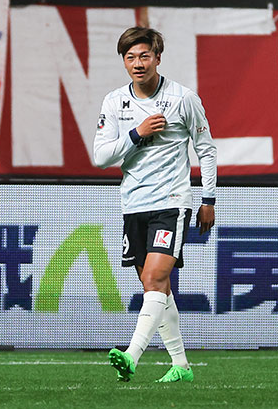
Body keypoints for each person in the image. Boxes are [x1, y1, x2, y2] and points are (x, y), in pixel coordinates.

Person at [93, 26, 217, 383]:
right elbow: (101, 157)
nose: (138, 63)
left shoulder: (182, 98)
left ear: (158, 58)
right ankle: (181, 365)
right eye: (130, 57)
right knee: (157, 290)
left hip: (172, 202)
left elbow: (206, 149)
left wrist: (208, 199)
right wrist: (137, 133)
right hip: (133, 204)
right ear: (124, 61)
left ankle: (131, 356)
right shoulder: (114, 102)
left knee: (154, 277)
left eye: (144, 56)